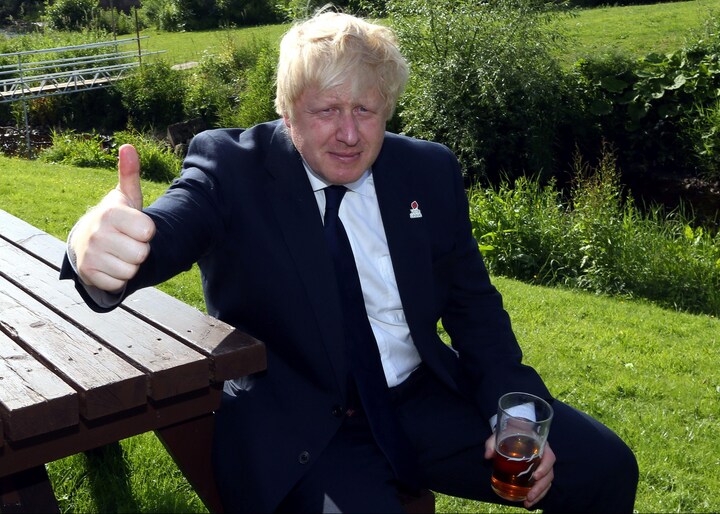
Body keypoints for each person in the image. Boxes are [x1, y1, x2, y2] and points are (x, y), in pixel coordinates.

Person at [61, 10, 638, 514]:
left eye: (365, 109)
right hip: (305, 425)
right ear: (287, 111)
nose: (348, 134)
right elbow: (167, 227)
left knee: (606, 467)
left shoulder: (427, 172)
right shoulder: (231, 169)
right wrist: (97, 243)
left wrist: (513, 414)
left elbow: (474, 310)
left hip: (419, 398)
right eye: (326, 110)